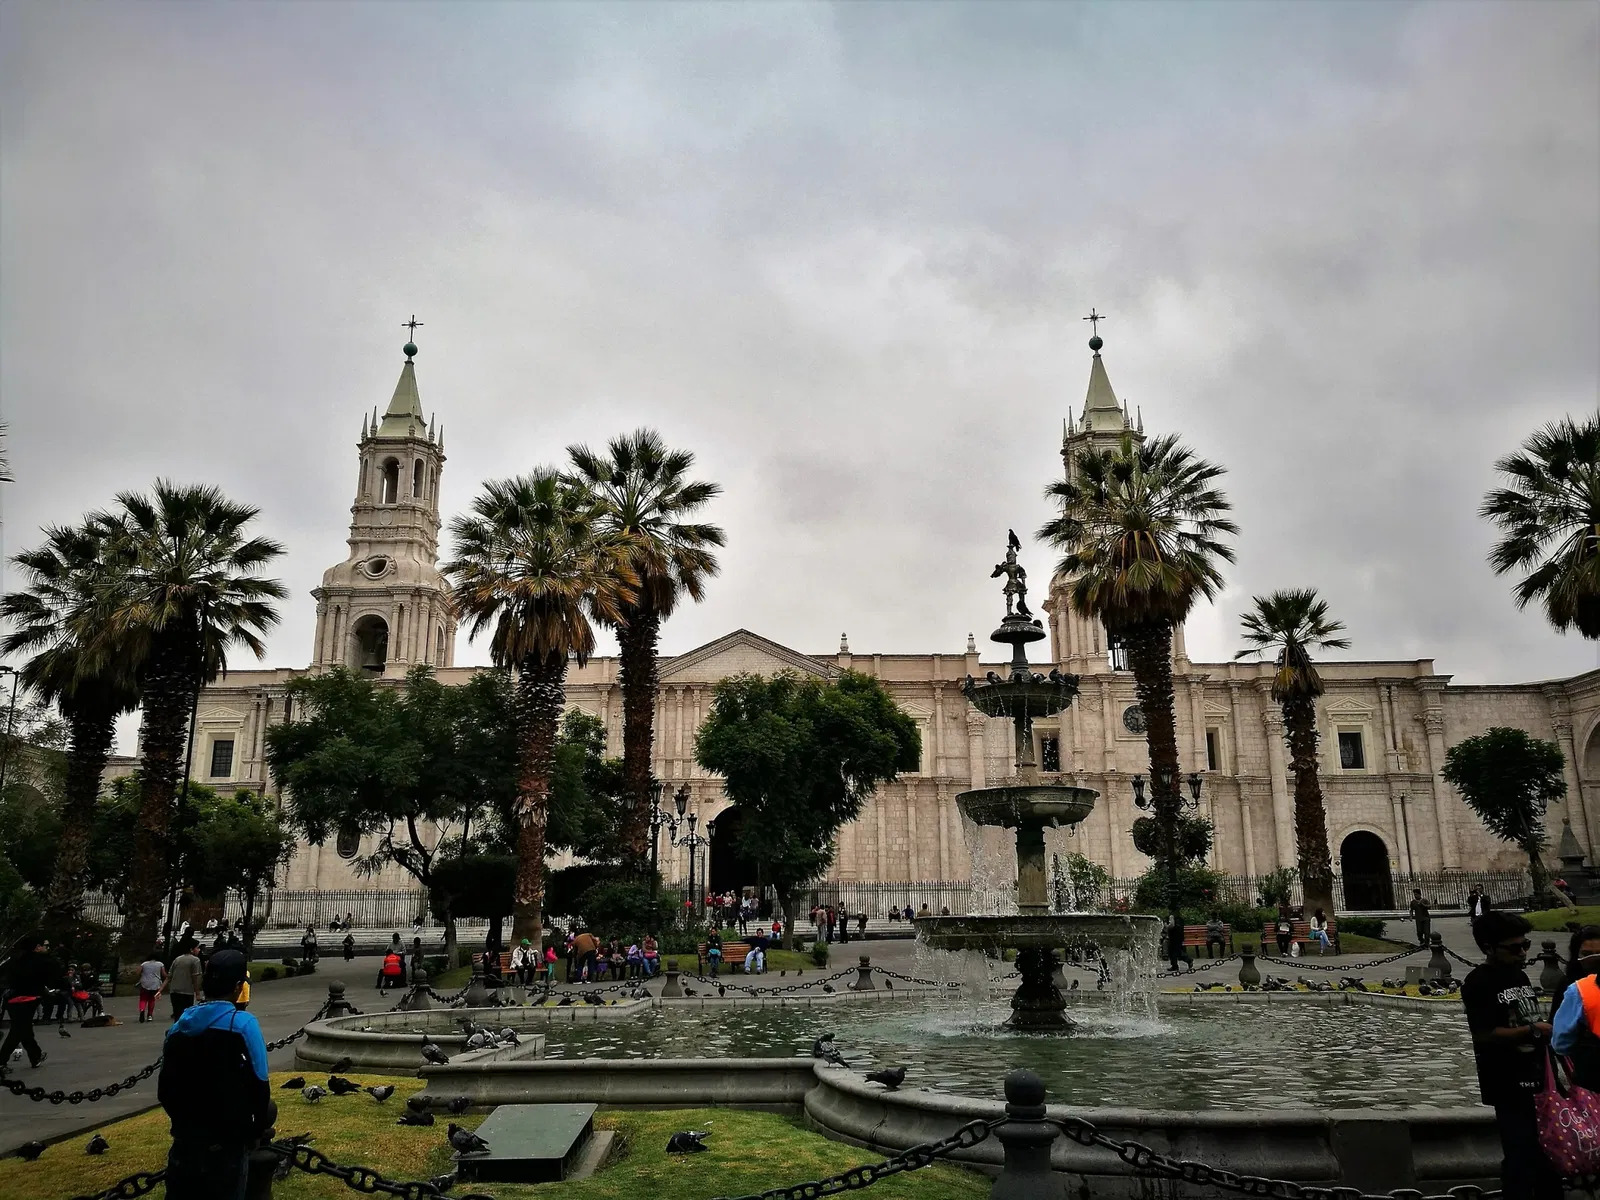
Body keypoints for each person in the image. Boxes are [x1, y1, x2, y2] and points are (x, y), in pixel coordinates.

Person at [1461, 910, 1561, 1200]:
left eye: (1525, 945)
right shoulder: (1478, 982)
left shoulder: (1518, 975)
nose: (1522, 953)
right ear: (1488, 948)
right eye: (1514, 947)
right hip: (1505, 1080)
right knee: (1519, 1152)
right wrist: (1531, 1031)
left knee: (1547, 1153)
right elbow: (1483, 1033)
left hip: (1536, 1075)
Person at [157, 949, 271, 1200]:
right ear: (239, 986)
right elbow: (260, 1085)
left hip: (185, 1140)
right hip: (228, 1142)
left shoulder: (180, 1025)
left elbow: (165, 1088)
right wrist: (254, 1130)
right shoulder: (243, 1024)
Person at [0, 933, 59, 1073]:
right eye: (46, 945)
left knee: (24, 1029)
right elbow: (50, 980)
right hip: (27, 999)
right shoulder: (40, 961)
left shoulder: (13, 959)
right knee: (18, 1031)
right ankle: (1, 1061)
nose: (48, 948)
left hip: (11, 999)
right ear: (37, 947)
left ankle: (36, 1055)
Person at [1550, 924, 1600, 1087]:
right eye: (1586, 954)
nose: (1593, 959)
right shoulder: (1571, 987)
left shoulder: (1577, 990)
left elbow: (1560, 1042)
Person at [165, 939, 204, 1019]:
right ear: (191, 949)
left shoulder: (177, 959)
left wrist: (160, 990)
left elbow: (169, 976)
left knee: (177, 1015)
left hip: (174, 991)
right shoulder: (195, 960)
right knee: (186, 1016)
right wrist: (197, 993)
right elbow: (195, 978)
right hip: (187, 992)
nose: (199, 950)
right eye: (197, 948)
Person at [137, 951, 168, 1024]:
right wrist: (168, 977)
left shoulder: (144, 964)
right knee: (152, 999)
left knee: (143, 999)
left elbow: (138, 972)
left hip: (145, 983)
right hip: (155, 983)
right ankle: (149, 1015)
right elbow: (163, 974)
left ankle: (142, 1010)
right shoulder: (160, 964)